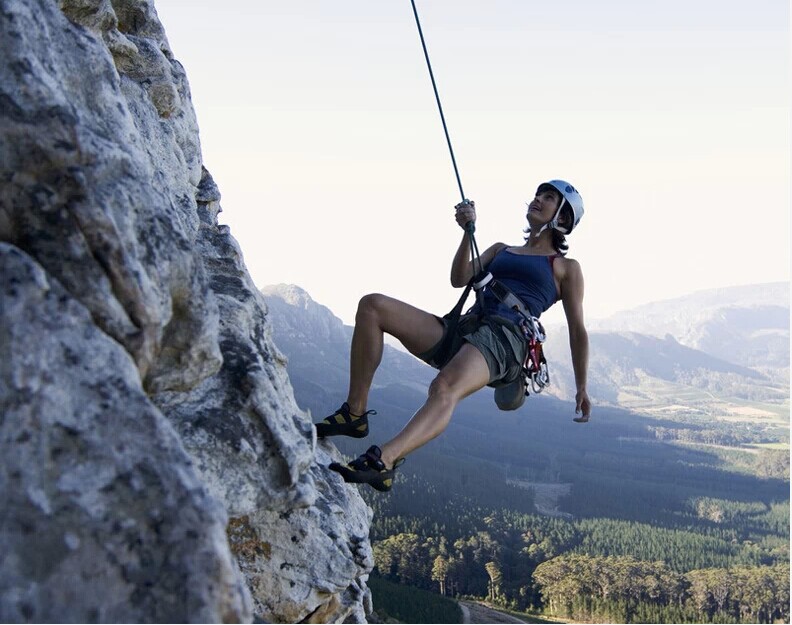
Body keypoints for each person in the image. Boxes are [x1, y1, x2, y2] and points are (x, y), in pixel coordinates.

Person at [316, 180, 591, 492]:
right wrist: (467, 232)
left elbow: (577, 329)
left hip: (505, 340)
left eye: (549, 198)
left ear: (564, 219)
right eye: (538, 194)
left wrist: (581, 386)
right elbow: (459, 278)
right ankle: (354, 413)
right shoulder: (501, 249)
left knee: (445, 386)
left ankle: (385, 460)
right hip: (467, 327)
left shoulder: (566, 268)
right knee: (372, 306)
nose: (537, 199)